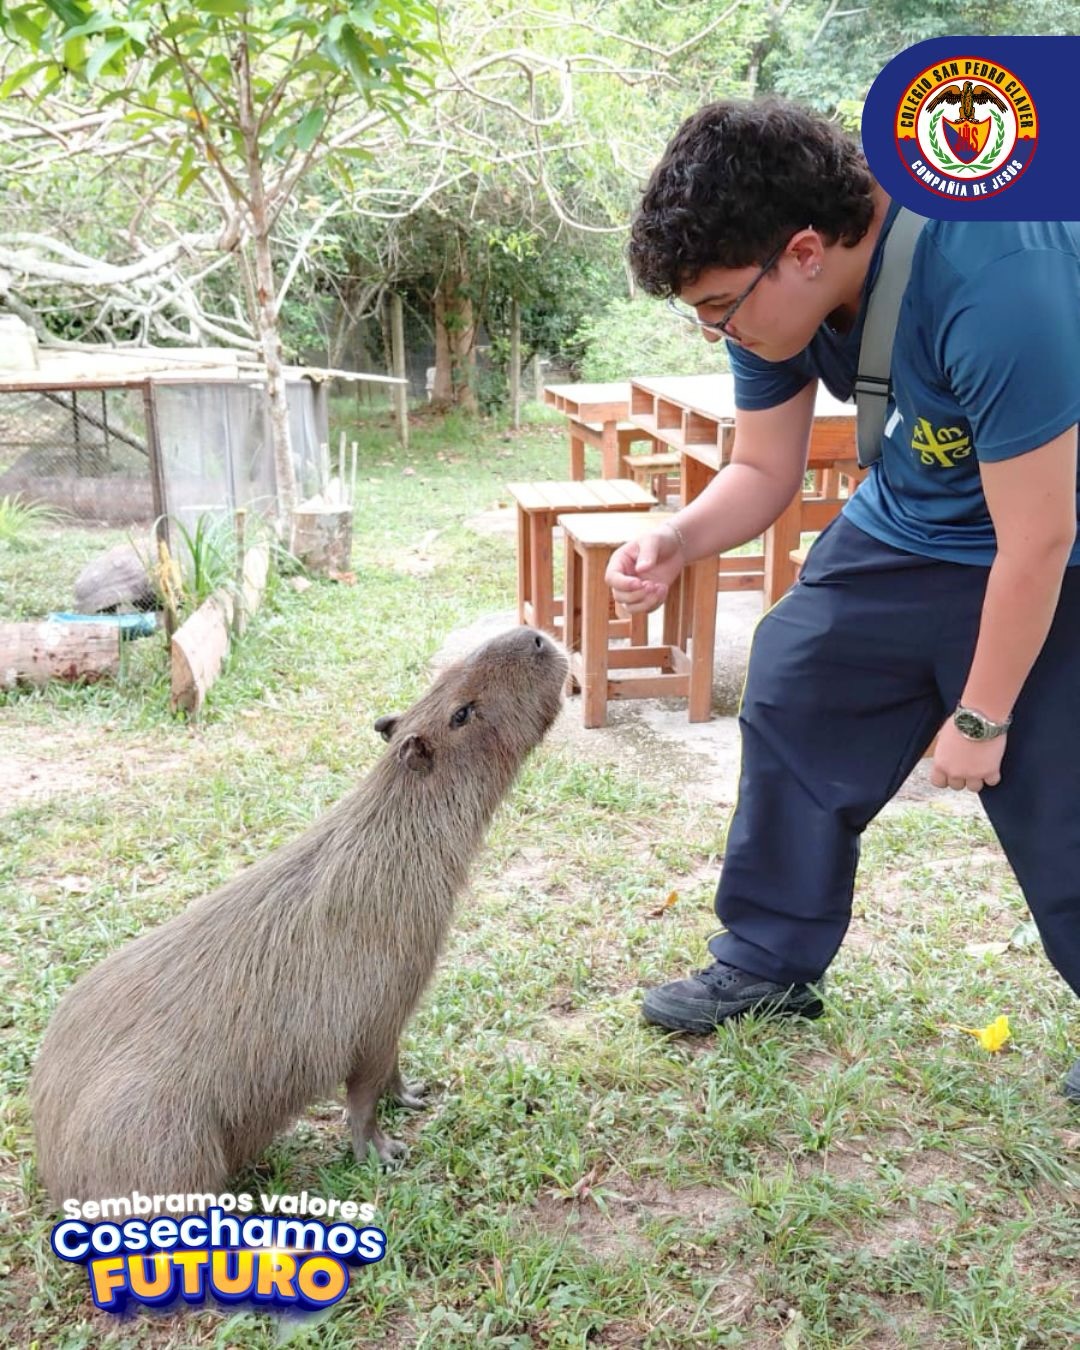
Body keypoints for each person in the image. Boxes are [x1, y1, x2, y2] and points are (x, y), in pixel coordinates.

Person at [608, 96, 1080, 1104]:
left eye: (720, 312)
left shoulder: (993, 272)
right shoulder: (759, 285)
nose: (714, 334)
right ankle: (770, 959)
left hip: (1059, 536)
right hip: (915, 516)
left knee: (1057, 786)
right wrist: (678, 539)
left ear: (807, 251)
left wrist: (983, 713)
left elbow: (1039, 535)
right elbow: (765, 466)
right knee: (795, 674)